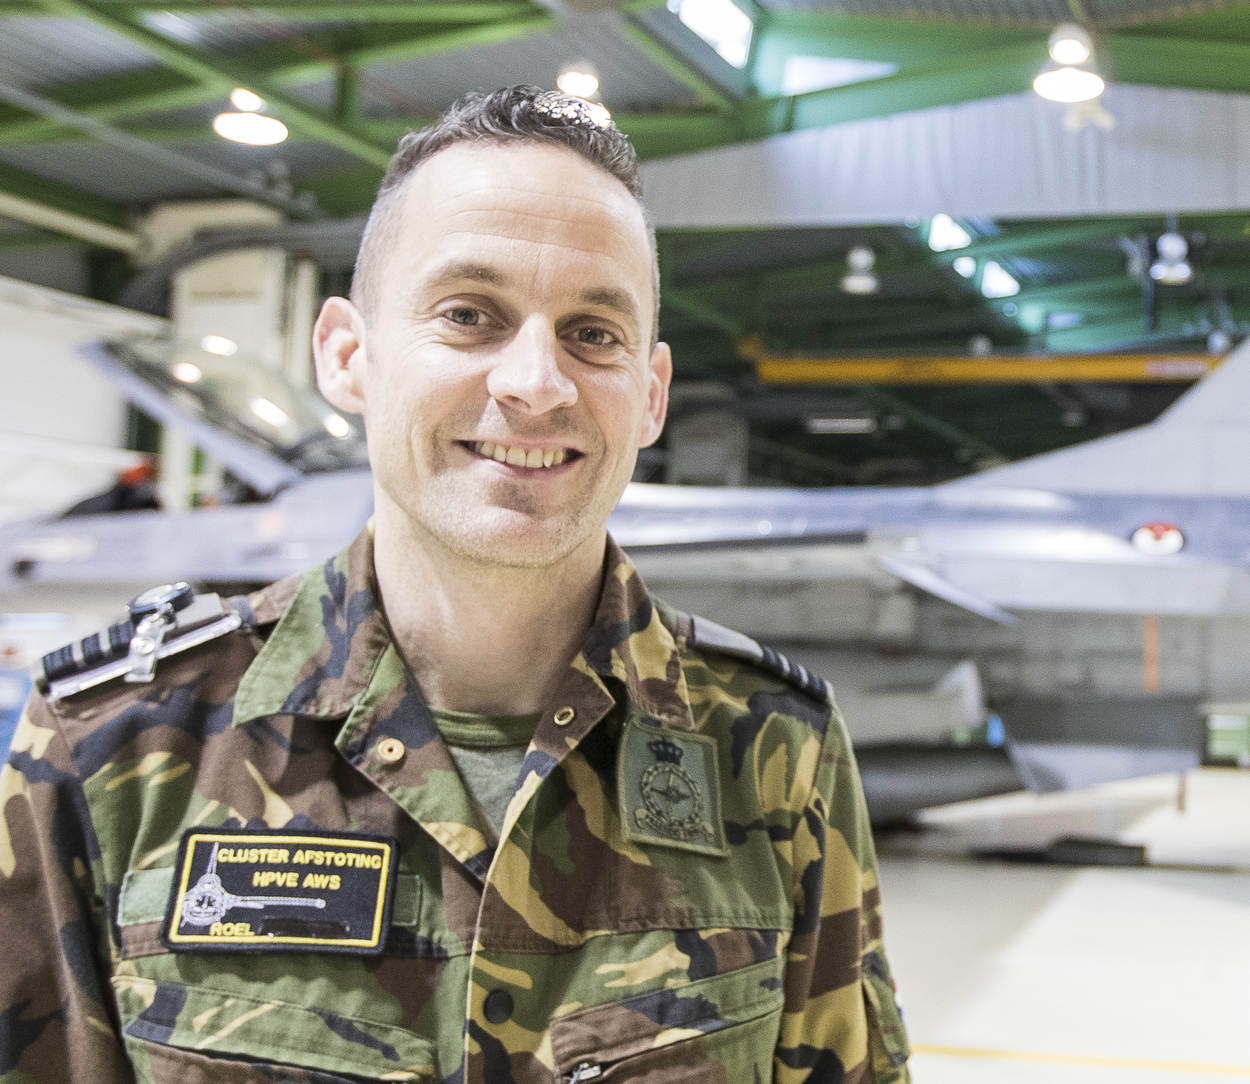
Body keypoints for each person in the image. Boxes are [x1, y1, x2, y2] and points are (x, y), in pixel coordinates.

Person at [0, 86, 911, 1082]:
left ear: (649, 395)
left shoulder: (776, 749)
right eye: (469, 315)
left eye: (593, 332)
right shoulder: (111, 745)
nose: (536, 382)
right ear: (348, 357)